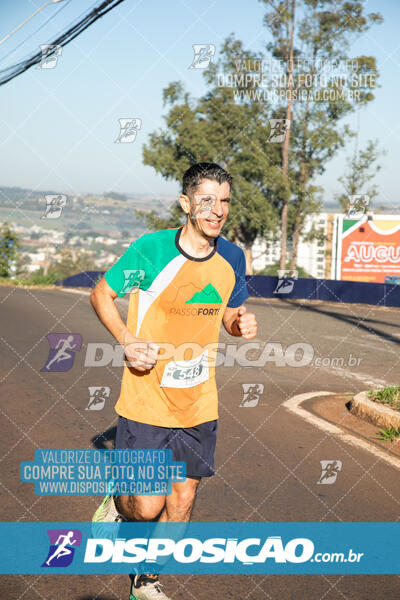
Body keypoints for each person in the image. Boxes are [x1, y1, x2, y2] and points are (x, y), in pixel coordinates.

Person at [90, 162, 258, 599]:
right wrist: (126, 340)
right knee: (146, 507)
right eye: (207, 200)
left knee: (181, 501)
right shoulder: (151, 250)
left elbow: (227, 315)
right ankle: (117, 505)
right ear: (186, 203)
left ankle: (146, 580)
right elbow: (102, 294)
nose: (217, 210)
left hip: (198, 401)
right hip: (146, 398)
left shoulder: (232, 257)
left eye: (223, 201)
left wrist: (239, 324)